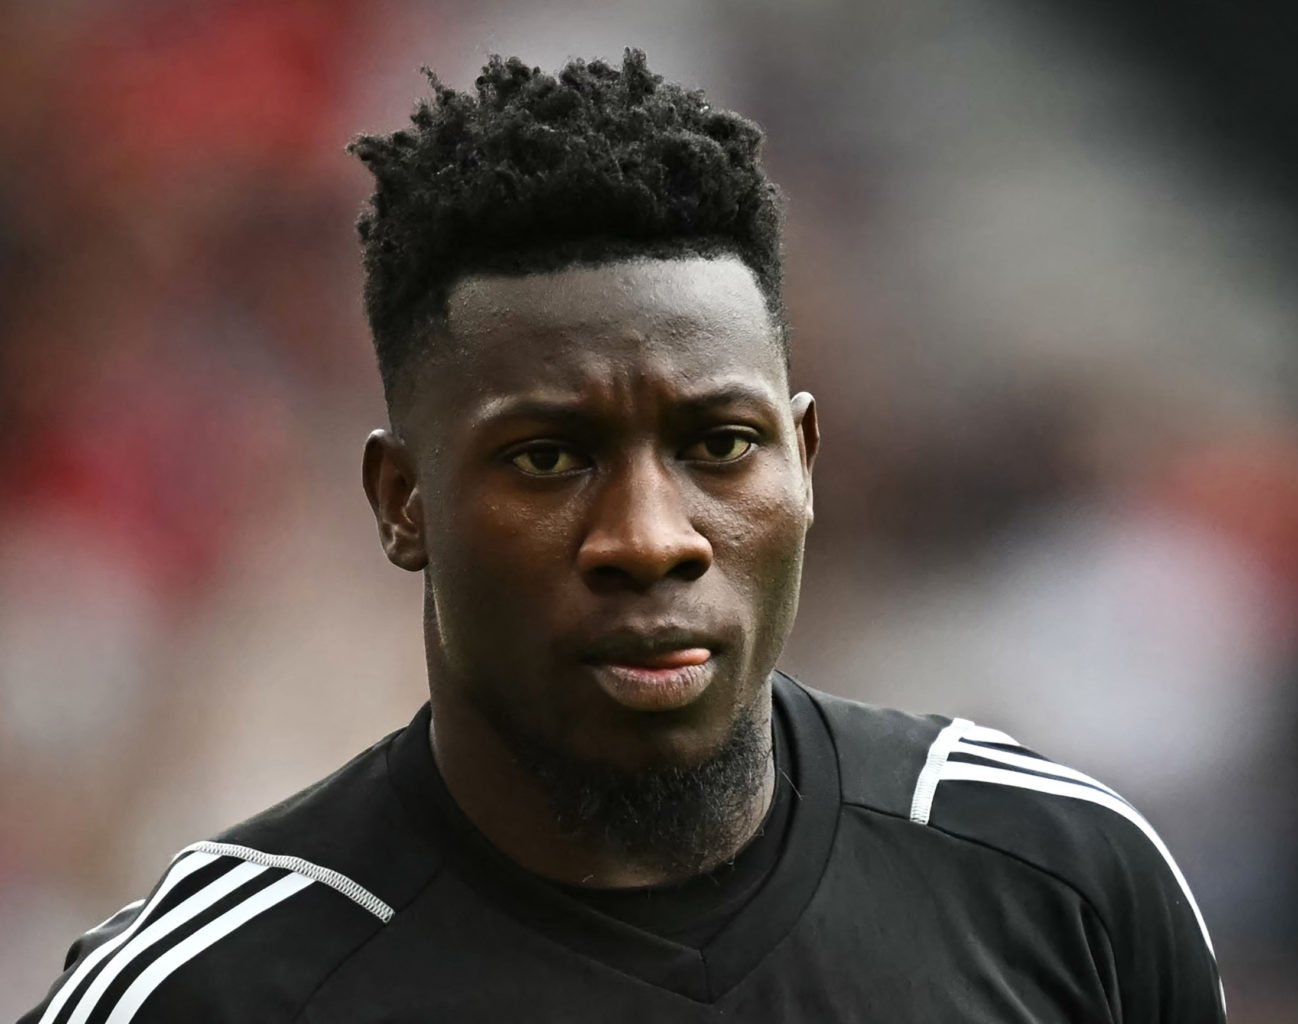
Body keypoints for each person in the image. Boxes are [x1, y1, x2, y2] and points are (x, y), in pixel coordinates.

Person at [20, 50, 1225, 1023]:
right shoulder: (213, 993)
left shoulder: (1062, 884)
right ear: (403, 503)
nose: (651, 538)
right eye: (549, 457)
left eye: (719, 445)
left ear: (806, 459)